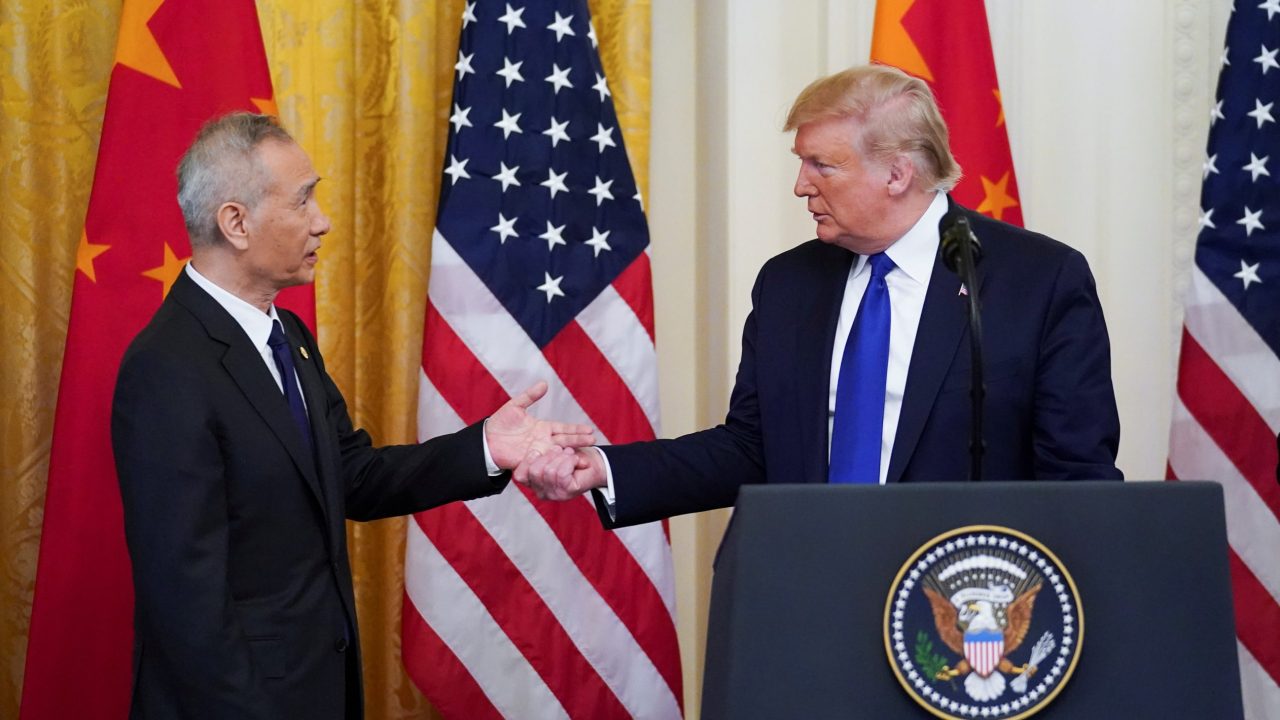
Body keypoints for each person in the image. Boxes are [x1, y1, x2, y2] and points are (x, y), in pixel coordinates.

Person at [111, 112, 593, 719]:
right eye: (304, 200)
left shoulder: (287, 333)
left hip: (317, 689)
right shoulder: (167, 367)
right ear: (236, 222)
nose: (323, 221)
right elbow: (185, 601)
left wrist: (485, 449)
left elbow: (351, 476)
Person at [516, 63, 1122, 527]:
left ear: (896, 173)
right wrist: (603, 468)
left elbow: (1077, 479)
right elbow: (752, 448)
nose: (801, 185)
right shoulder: (789, 284)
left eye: (821, 166)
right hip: (804, 594)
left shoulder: (1036, 281)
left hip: (963, 611)